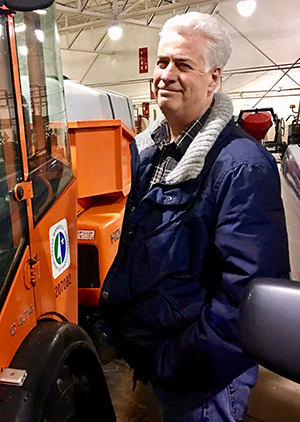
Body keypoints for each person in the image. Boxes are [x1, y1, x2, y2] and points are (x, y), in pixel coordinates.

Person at [99, 11, 290, 422]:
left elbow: (246, 298)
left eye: (184, 64)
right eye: (163, 62)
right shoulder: (152, 152)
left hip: (205, 376)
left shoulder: (241, 166)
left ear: (214, 80)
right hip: (165, 357)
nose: (166, 74)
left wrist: (173, 361)